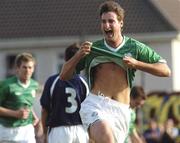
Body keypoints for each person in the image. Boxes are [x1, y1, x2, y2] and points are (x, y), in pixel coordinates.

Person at [60, 1, 171, 143]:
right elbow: (64, 76)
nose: (107, 26)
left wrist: (137, 64)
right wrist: (78, 55)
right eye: (103, 22)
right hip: (96, 104)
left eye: (111, 21)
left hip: (121, 110)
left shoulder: (135, 47)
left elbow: (165, 70)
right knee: (107, 137)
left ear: (121, 23)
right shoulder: (93, 49)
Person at [40, 43, 89, 143]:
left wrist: (44, 133)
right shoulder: (83, 82)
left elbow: (45, 110)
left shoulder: (52, 81)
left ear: (66, 59)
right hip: (80, 130)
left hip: (59, 130)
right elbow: (89, 110)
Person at [0, 52, 39, 143]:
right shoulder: (6, 85)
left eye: (30, 67)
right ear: (17, 69)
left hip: (27, 130)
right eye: (24, 67)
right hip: (8, 131)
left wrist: (34, 116)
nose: (27, 70)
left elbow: (28, 105)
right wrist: (15, 114)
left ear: (33, 69)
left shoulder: (34, 85)